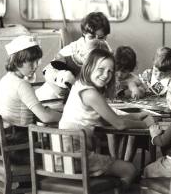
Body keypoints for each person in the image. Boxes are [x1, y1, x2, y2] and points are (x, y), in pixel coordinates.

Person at [59, 48, 155, 186]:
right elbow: (119, 125)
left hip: (63, 153)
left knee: (118, 166)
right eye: (101, 69)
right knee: (130, 170)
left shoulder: (80, 85)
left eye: (110, 71)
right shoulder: (91, 94)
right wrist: (146, 124)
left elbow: (107, 119)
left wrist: (137, 115)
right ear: (89, 67)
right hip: (75, 156)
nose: (106, 75)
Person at [0, 35, 62, 163]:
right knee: (63, 155)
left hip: (6, 142)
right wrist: (68, 116)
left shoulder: (5, 79)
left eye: (37, 61)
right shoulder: (21, 84)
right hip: (21, 148)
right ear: (17, 61)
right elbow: (45, 117)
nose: (35, 66)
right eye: (31, 62)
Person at [55, 12, 112, 77]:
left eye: (101, 38)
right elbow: (52, 68)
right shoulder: (71, 50)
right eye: (92, 37)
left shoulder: (107, 48)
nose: (96, 41)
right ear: (84, 34)